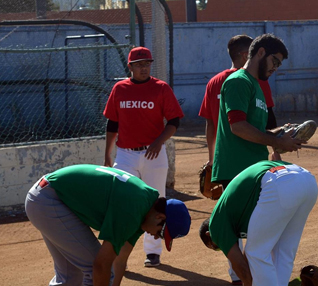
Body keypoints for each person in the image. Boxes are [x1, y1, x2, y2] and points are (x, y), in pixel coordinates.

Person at [25, 164, 191, 286]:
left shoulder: (145, 205)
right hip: (49, 199)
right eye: (161, 233)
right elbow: (100, 266)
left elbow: (118, 263)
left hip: (45, 196)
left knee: (71, 276)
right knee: (90, 266)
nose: (156, 237)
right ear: (160, 217)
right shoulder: (133, 208)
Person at [199, 160, 318, 286]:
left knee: (256, 253)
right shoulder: (235, 213)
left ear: (210, 235)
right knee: (282, 252)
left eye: (216, 246)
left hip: (278, 183)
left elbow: (241, 266)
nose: (222, 248)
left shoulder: (216, 225)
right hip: (306, 179)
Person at [104, 46, 185, 268]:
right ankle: (119, 251)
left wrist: (159, 142)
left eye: (147, 63)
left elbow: (174, 121)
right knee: (124, 201)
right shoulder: (120, 89)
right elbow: (112, 123)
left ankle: (152, 251)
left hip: (154, 154)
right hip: (126, 154)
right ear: (129, 67)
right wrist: (107, 156)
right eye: (139, 64)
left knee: (156, 201)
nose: (144, 67)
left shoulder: (160, 88)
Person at [211, 33, 303, 188]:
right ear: (261, 53)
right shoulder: (239, 81)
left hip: (252, 168)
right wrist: (277, 141)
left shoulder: (255, 85)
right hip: (237, 171)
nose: (275, 67)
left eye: (278, 65)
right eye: (274, 61)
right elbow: (238, 126)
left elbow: (254, 130)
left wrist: (280, 132)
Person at [199, 34, 282, 168]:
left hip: (223, 159)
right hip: (247, 157)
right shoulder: (255, 81)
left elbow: (210, 124)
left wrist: (212, 158)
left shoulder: (213, 82)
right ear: (246, 55)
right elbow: (269, 120)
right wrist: (276, 150)